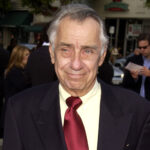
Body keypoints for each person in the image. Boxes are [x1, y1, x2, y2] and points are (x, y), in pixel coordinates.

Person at [3, 4, 150, 150]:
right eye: (66, 50)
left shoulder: (138, 111)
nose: (76, 64)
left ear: (101, 56)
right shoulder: (20, 110)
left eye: (87, 51)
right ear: (52, 53)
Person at [122, 33, 150, 101]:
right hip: (136, 101)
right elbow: (125, 84)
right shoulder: (133, 60)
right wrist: (135, 78)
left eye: (145, 47)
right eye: (140, 48)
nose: (142, 50)